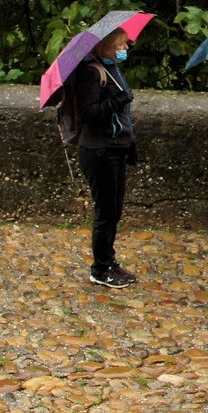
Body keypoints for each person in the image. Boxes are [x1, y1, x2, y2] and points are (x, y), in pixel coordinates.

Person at [73, 28, 139, 288]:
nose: (126, 48)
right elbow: (89, 113)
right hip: (99, 150)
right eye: (122, 44)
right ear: (108, 46)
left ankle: (109, 260)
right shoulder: (92, 72)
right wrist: (118, 99)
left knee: (114, 210)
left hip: (116, 147)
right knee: (106, 210)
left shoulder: (112, 69)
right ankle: (100, 268)